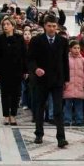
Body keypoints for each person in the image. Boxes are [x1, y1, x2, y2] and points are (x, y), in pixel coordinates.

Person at [27, 15, 70, 148]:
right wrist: (36, 69)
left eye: (54, 26)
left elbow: (65, 61)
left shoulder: (62, 41)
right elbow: (30, 59)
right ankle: (39, 134)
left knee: (58, 109)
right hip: (41, 79)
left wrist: (67, 79)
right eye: (49, 26)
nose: (52, 28)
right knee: (40, 107)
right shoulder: (36, 40)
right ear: (44, 26)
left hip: (57, 80)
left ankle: (61, 137)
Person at [0, 16, 28, 126]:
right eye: (4, 24)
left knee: (16, 94)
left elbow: (24, 55)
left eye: (8, 24)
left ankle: (13, 115)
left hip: (17, 70)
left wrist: (25, 71)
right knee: (5, 94)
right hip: (4, 71)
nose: (6, 26)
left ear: (13, 26)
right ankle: (6, 116)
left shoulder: (19, 38)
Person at [63, 40, 84, 126]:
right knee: (67, 104)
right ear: (70, 49)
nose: (77, 50)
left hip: (80, 86)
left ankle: (79, 120)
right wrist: (64, 83)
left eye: (78, 48)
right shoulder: (66, 59)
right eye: (74, 48)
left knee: (79, 105)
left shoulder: (82, 60)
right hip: (69, 86)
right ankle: (67, 120)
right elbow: (63, 72)